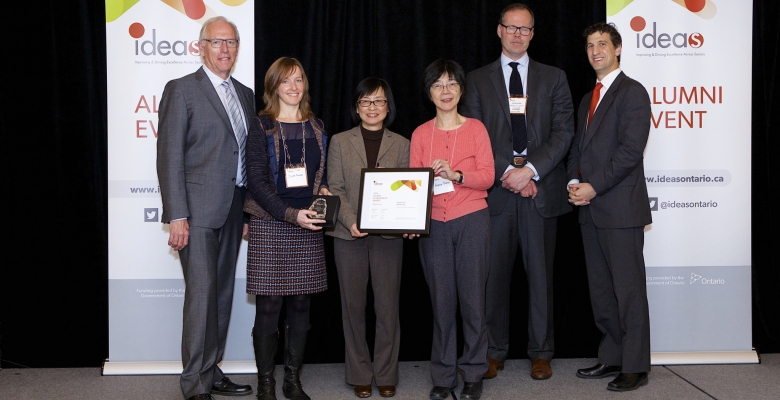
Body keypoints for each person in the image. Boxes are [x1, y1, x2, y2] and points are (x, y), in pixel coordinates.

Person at [460, 3, 575, 381]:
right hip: (496, 194)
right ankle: (494, 351)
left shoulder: (554, 77)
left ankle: (541, 352)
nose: (517, 34)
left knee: (541, 277)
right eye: (511, 27)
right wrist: (510, 172)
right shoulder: (476, 80)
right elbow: (475, 135)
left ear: (532, 34)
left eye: (524, 29)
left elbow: (563, 133)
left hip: (541, 191)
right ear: (498, 30)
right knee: (493, 277)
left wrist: (530, 172)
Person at [157, 16, 254, 400]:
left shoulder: (244, 93)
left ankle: (212, 371)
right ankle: (194, 382)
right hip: (195, 214)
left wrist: (247, 210)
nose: (225, 49)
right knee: (202, 296)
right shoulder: (181, 90)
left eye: (230, 42)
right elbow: (169, 157)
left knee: (222, 295)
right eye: (217, 42)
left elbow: (246, 156)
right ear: (201, 46)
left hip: (233, 209)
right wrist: (177, 215)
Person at [567, 22, 652, 392]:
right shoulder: (588, 98)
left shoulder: (633, 92)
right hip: (589, 208)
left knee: (628, 290)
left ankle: (635, 365)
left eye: (602, 44)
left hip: (619, 208)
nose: (595, 50)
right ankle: (612, 355)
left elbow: (631, 151)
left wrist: (594, 186)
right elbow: (578, 149)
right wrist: (573, 182)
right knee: (602, 289)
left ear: (618, 49)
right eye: (589, 45)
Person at [244, 57, 330, 400]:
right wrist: (290, 214)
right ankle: (266, 384)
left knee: (301, 304)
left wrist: (321, 191)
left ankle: (292, 381)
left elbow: (319, 175)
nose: (294, 87)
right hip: (270, 222)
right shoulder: (261, 126)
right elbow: (257, 182)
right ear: (274, 87)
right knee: (269, 305)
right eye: (286, 81)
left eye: (299, 80)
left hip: (308, 224)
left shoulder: (318, 126)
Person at [410, 59, 495, 400]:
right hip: (435, 226)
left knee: (473, 300)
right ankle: (443, 376)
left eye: (451, 84)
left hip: (472, 219)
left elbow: (488, 177)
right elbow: (412, 185)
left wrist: (456, 175)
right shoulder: (419, 133)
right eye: (437, 85)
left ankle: (474, 371)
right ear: (429, 93)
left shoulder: (476, 129)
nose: (445, 91)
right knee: (441, 302)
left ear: (461, 89)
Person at [326, 78, 410, 398]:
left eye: (379, 101)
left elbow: (407, 187)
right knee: (353, 307)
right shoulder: (339, 141)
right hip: (349, 235)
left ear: (388, 107)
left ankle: (386, 372)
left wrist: (404, 217)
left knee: (388, 308)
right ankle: (360, 372)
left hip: (389, 237)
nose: (372, 108)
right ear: (356, 107)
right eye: (366, 102)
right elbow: (335, 188)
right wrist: (351, 221)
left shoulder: (402, 143)